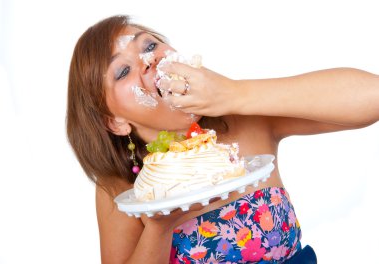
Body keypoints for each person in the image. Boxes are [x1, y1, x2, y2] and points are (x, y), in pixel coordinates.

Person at [66, 15, 379, 264]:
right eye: (122, 71)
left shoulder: (245, 122)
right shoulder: (123, 188)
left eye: (148, 46)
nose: (147, 61)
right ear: (115, 121)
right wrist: (159, 229)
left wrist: (234, 93)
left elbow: (372, 97)